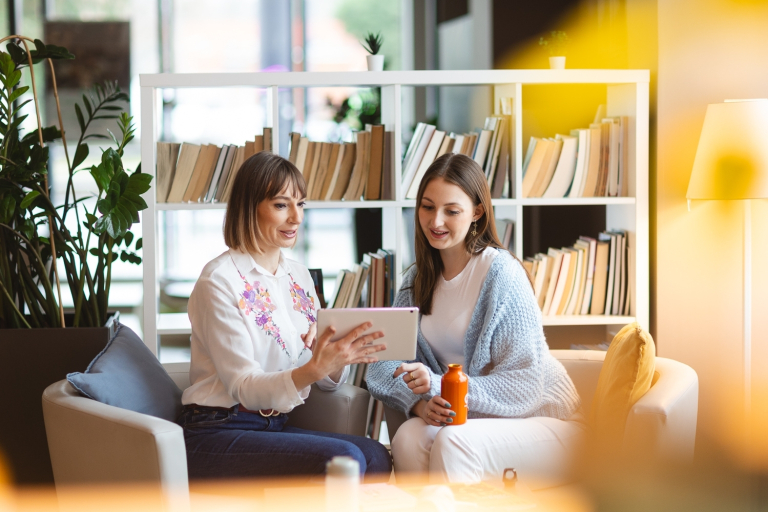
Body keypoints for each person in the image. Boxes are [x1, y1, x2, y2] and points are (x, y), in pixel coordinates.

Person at [366, 153, 584, 487]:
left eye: (451, 211)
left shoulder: (502, 275)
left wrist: (439, 385)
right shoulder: (417, 281)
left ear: (477, 213)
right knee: (408, 437)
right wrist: (420, 405)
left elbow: (525, 386)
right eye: (427, 207)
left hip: (541, 420)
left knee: (453, 441)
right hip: (466, 419)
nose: (436, 221)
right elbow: (380, 365)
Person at [178, 151, 392, 481]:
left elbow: (324, 381)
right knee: (346, 458)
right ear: (249, 208)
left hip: (273, 425)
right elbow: (244, 387)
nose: (296, 217)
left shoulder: (298, 276)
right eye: (281, 205)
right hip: (215, 431)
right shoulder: (218, 281)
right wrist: (313, 368)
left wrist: (334, 359)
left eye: (301, 204)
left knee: (376, 455)